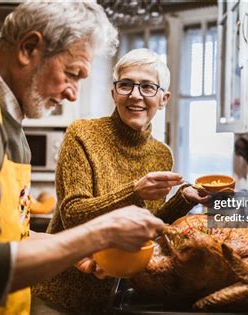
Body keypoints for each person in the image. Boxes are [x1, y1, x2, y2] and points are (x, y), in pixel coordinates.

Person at [0, 3, 165, 315]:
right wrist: (99, 232)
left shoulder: (9, 118)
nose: (73, 94)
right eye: (72, 74)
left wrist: (74, 252)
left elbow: (12, 232)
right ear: (28, 48)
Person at [33, 48, 209, 312]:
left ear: (164, 99)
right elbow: (73, 215)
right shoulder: (82, 135)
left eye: (148, 86)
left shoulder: (161, 154)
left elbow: (148, 225)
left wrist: (184, 199)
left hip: (119, 292)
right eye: (126, 84)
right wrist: (135, 191)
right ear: (114, 93)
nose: (135, 95)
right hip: (60, 293)